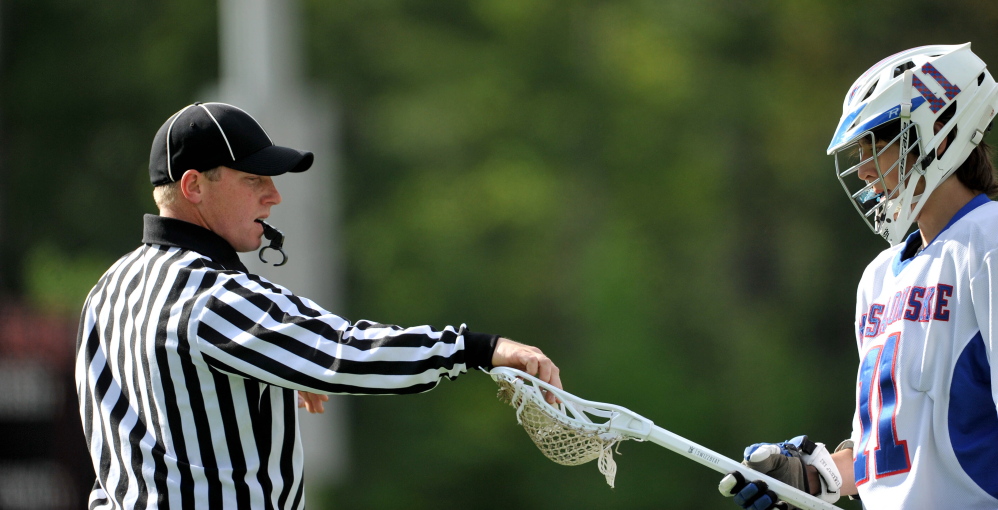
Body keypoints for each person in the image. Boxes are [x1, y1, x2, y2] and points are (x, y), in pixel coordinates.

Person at [76, 102, 562, 509]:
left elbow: (124, 457)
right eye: (253, 180)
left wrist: (283, 373)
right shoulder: (210, 298)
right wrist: (479, 348)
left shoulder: (107, 289)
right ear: (193, 186)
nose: (274, 196)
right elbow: (343, 351)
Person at [719, 43, 998, 509]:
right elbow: (889, 453)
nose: (865, 169)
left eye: (880, 146)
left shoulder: (987, 242)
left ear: (943, 136)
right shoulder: (878, 279)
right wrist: (810, 477)